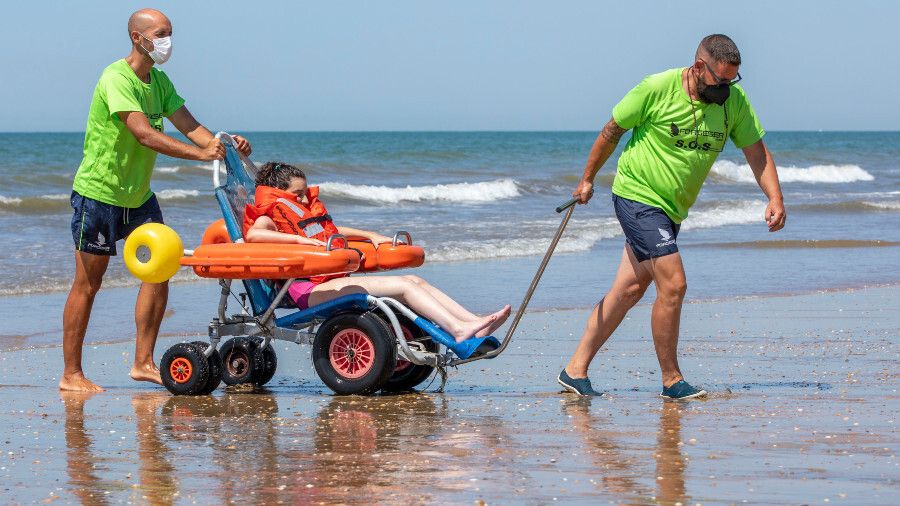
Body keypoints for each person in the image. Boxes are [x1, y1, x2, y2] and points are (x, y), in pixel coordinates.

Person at [558, 34, 786, 399]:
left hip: (672, 210)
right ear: (699, 67)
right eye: (721, 80)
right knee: (674, 284)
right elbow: (611, 131)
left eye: (733, 81)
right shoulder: (657, 88)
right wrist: (586, 179)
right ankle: (671, 380)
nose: (726, 88)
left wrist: (774, 196)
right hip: (636, 196)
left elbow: (757, 154)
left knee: (629, 290)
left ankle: (574, 370)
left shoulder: (734, 104)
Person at [61, 9, 252, 392]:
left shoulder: (159, 82)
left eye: (170, 33)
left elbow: (190, 126)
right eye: (161, 33)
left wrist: (224, 145)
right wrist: (200, 155)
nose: (168, 41)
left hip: (139, 196)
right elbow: (144, 134)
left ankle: (143, 362)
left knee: (159, 269)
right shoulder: (116, 78)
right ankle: (71, 374)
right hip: (99, 194)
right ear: (138, 37)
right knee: (88, 283)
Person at [244, 162, 511, 353]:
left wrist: (370, 235)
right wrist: (299, 240)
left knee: (413, 279)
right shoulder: (270, 215)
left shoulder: (300, 215)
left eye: (304, 192)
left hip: (326, 283)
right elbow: (255, 235)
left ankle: (472, 323)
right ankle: (458, 329)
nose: (303, 199)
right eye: (296, 194)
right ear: (278, 193)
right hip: (307, 290)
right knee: (404, 287)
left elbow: (333, 232)